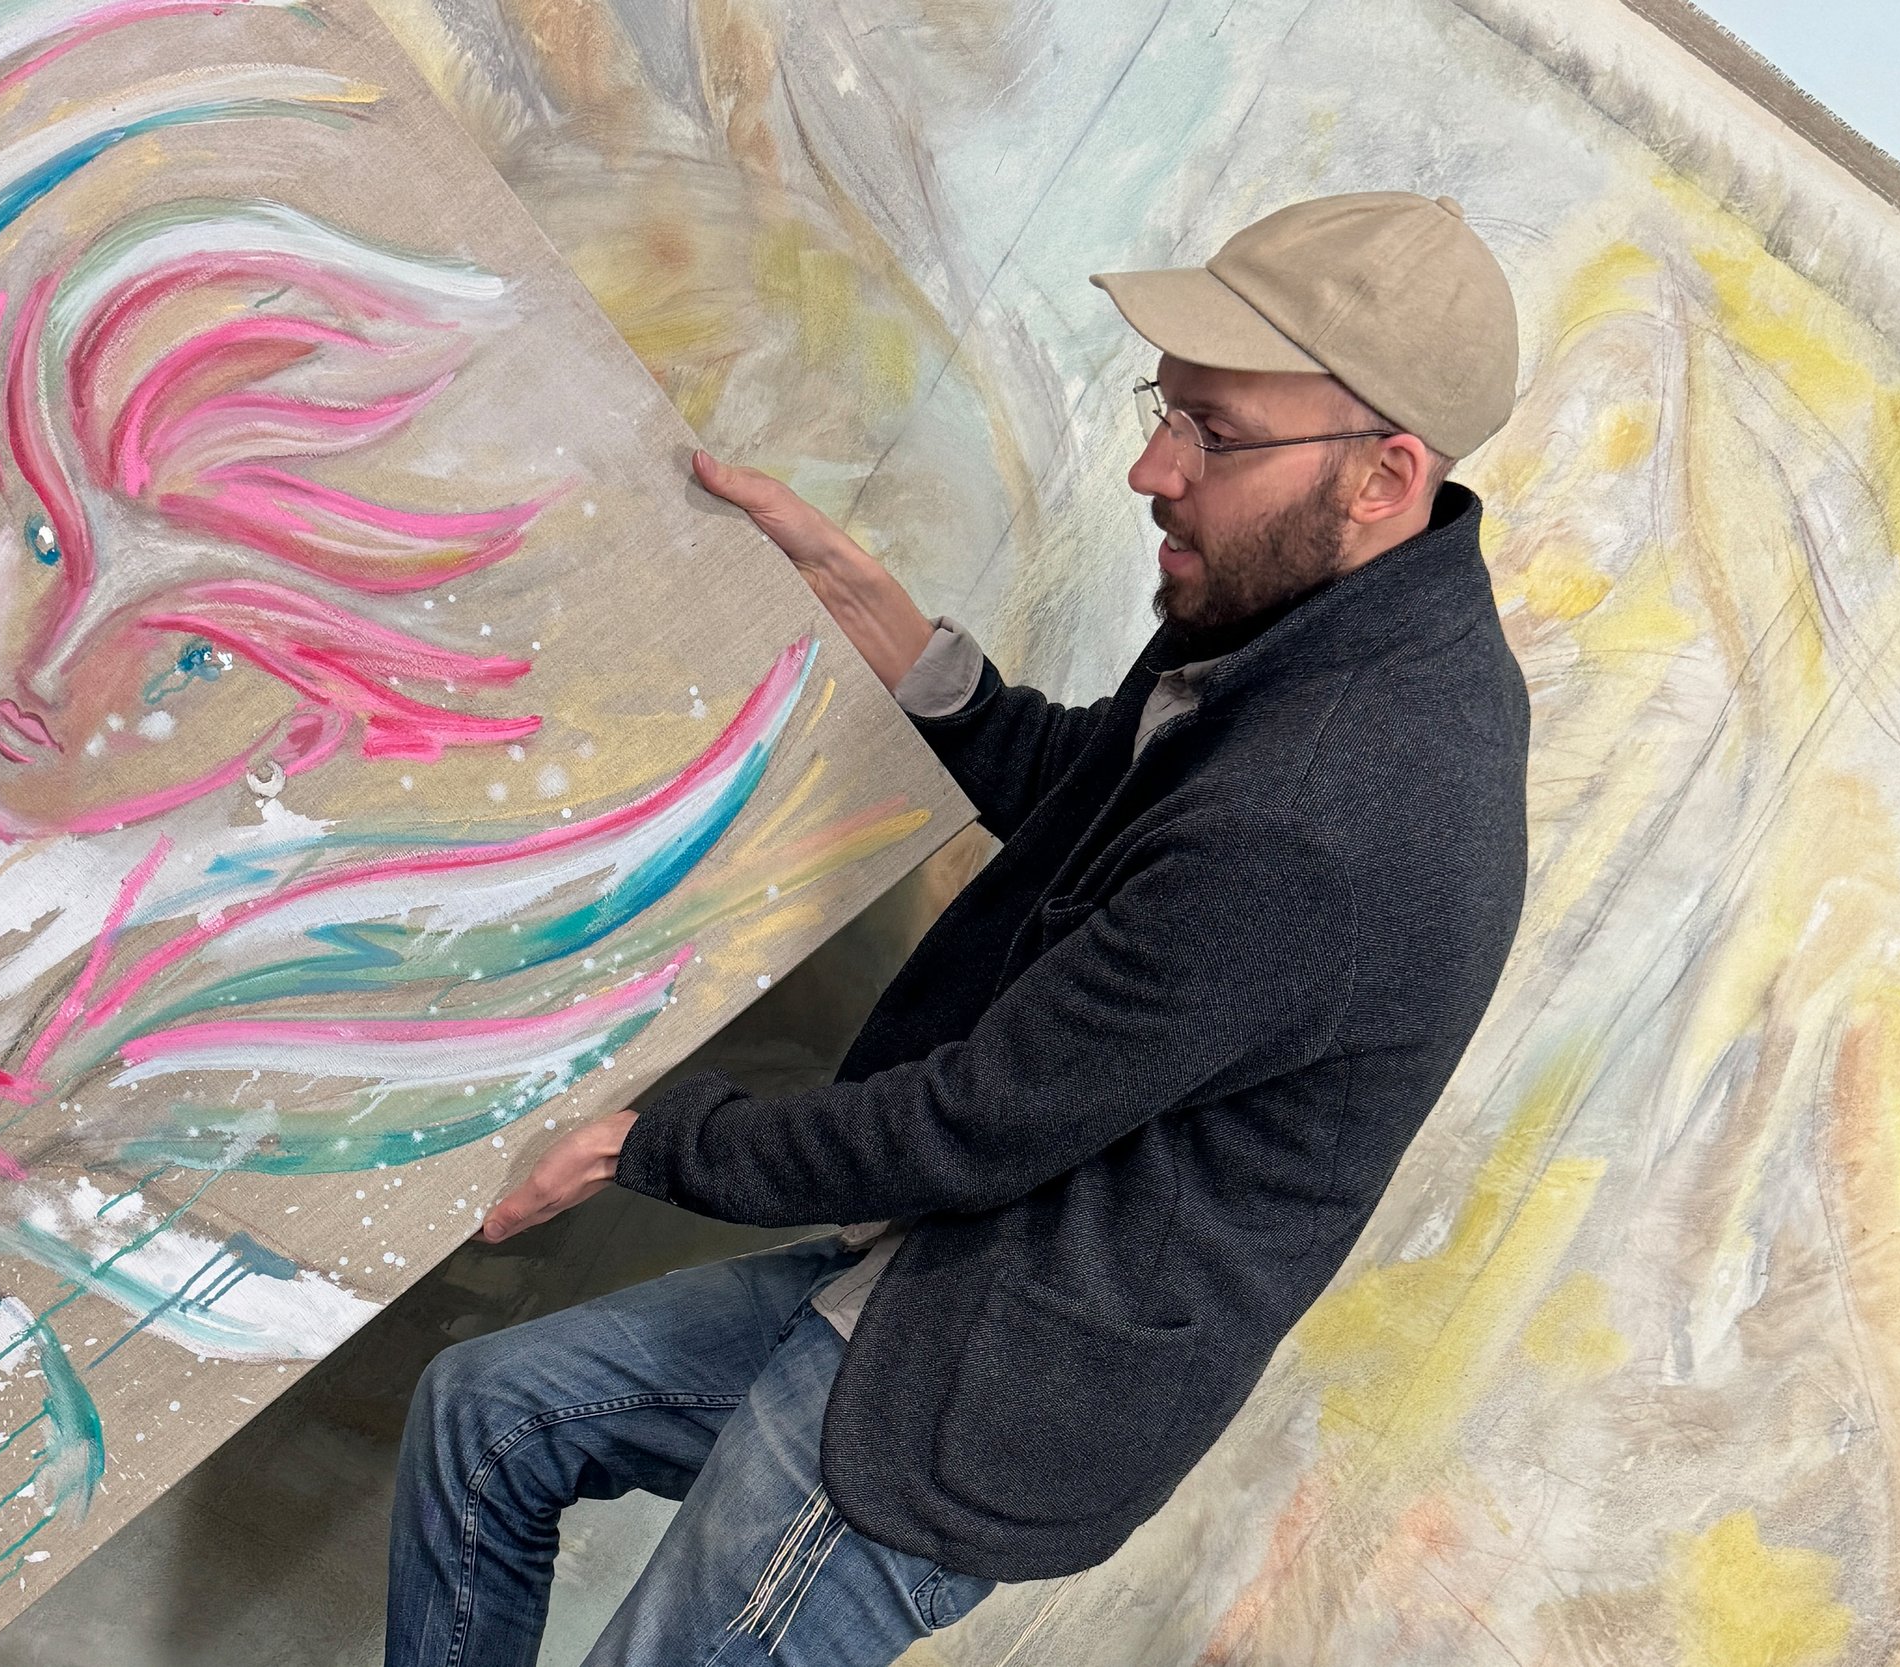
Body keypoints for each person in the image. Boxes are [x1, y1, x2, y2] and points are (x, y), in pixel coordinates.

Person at [384, 190, 1533, 1667]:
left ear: (1384, 474)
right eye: (1165, 409)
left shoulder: (1325, 814)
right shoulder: (1298, 624)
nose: (1154, 468)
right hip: (929, 1275)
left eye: (1214, 433)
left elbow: (972, 1123)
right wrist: (901, 642)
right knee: (489, 1419)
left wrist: (643, 1145)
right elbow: (1108, 825)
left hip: (975, 1394)